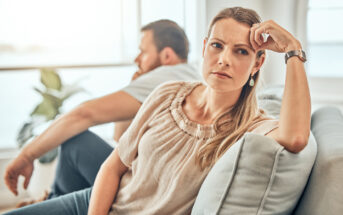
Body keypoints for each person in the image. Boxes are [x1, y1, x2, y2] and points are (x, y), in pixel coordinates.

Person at [4, 6, 311, 215]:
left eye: (241, 51)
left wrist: (293, 50)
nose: (224, 59)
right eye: (217, 46)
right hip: (97, 200)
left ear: (258, 63)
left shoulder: (252, 127)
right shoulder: (167, 93)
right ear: (204, 48)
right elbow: (114, 166)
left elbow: (296, 137)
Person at [4, 19, 201, 204]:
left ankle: (53, 201)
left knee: (76, 141)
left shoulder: (166, 76)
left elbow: (84, 114)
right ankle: (55, 200)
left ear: (166, 55)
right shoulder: (192, 75)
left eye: (143, 52)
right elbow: (120, 139)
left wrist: (27, 155)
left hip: (145, 190)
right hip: (161, 186)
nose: (137, 59)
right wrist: (135, 86)